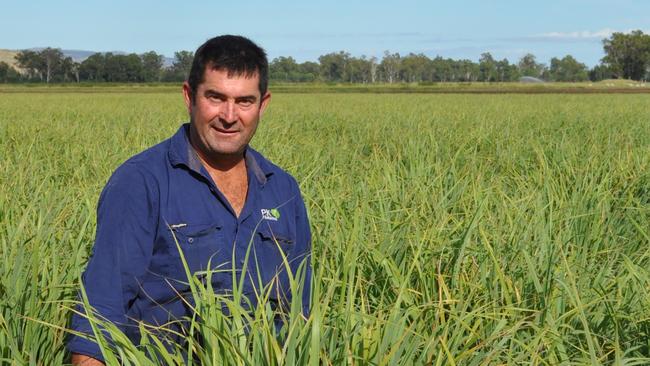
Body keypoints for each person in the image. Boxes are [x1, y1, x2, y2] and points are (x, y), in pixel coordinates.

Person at [68, 35, 312, 365]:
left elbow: (299, 315)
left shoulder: (283, 190)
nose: (229, 115)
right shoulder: (142, 182)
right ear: (189, 96)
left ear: (263, 104)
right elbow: (99, 318)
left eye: (244, 101)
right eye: (215, 97)